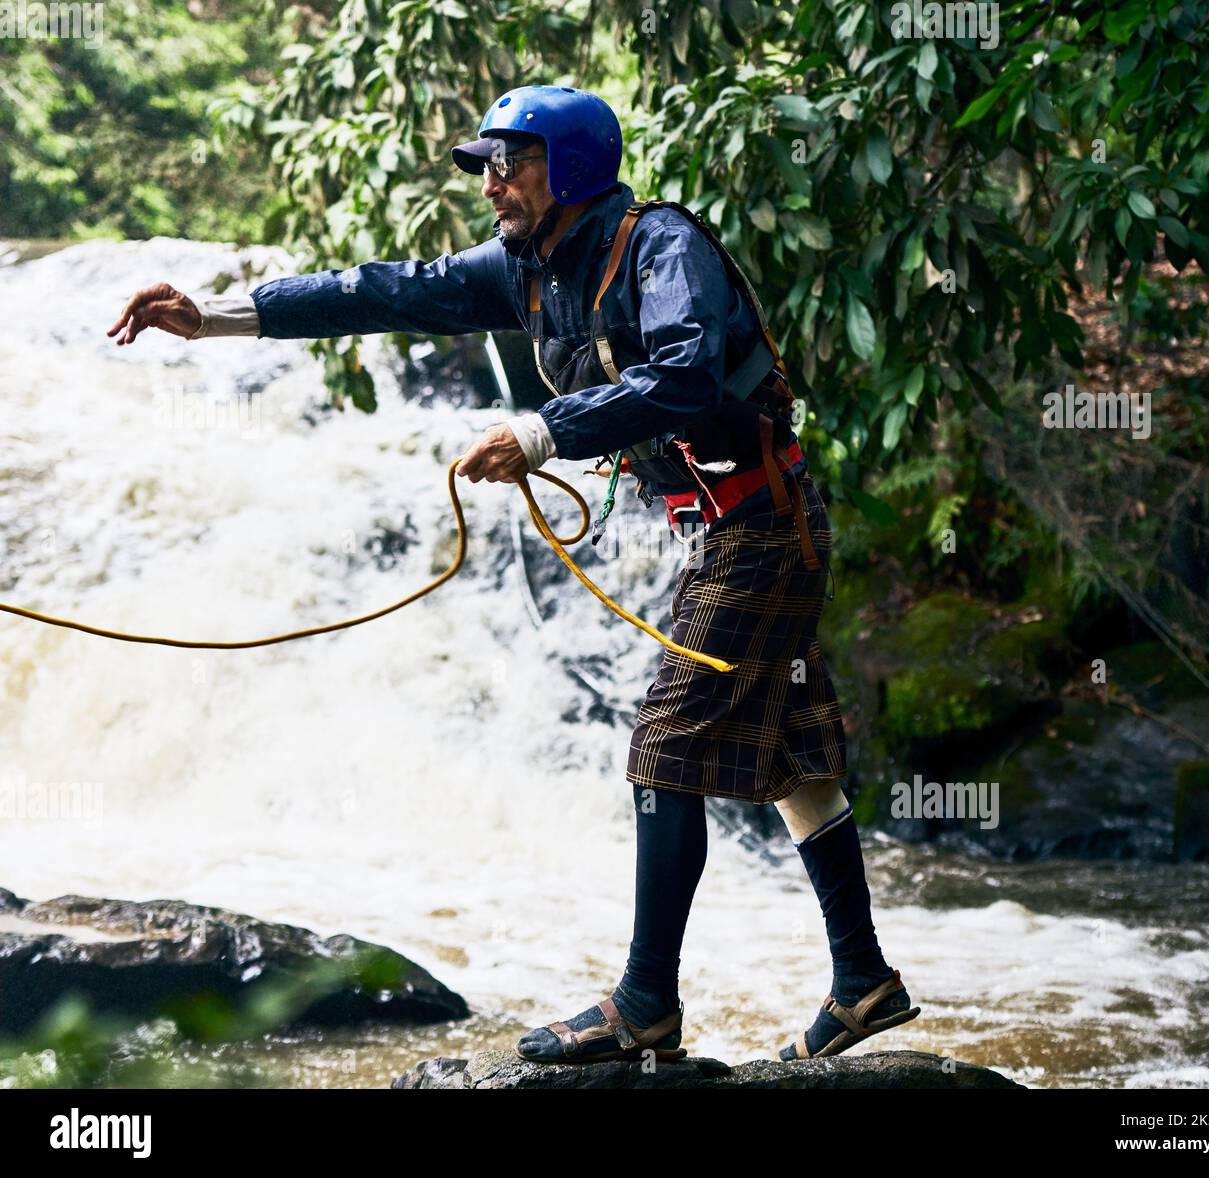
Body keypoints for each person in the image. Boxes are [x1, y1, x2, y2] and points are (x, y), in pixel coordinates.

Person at [105, 83, 919, 1064]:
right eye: (486, 165)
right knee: (792, 762)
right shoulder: (528, 267)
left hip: (762, 527)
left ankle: (644, 1005)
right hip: (729, 529)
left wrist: (539, 431)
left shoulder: (662, 248)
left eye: (509, 162)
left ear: (568, 169)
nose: (490, 182)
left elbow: (688, 374)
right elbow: (385, 291)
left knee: (663, 750)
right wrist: (220, 318)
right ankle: (864, 979)